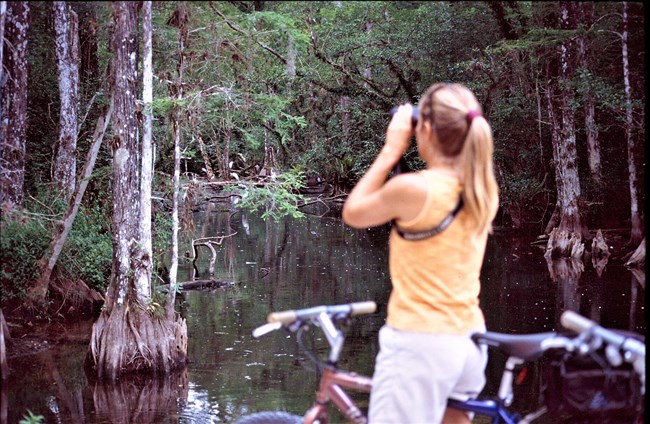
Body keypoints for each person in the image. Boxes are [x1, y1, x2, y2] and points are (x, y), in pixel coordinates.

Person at [342, 82, 499, 424]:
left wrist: (391, 150)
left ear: (424, 128)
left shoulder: (414, 189)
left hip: (420, 344)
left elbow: (353, 212)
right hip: (469, 342)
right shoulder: (482, 189)